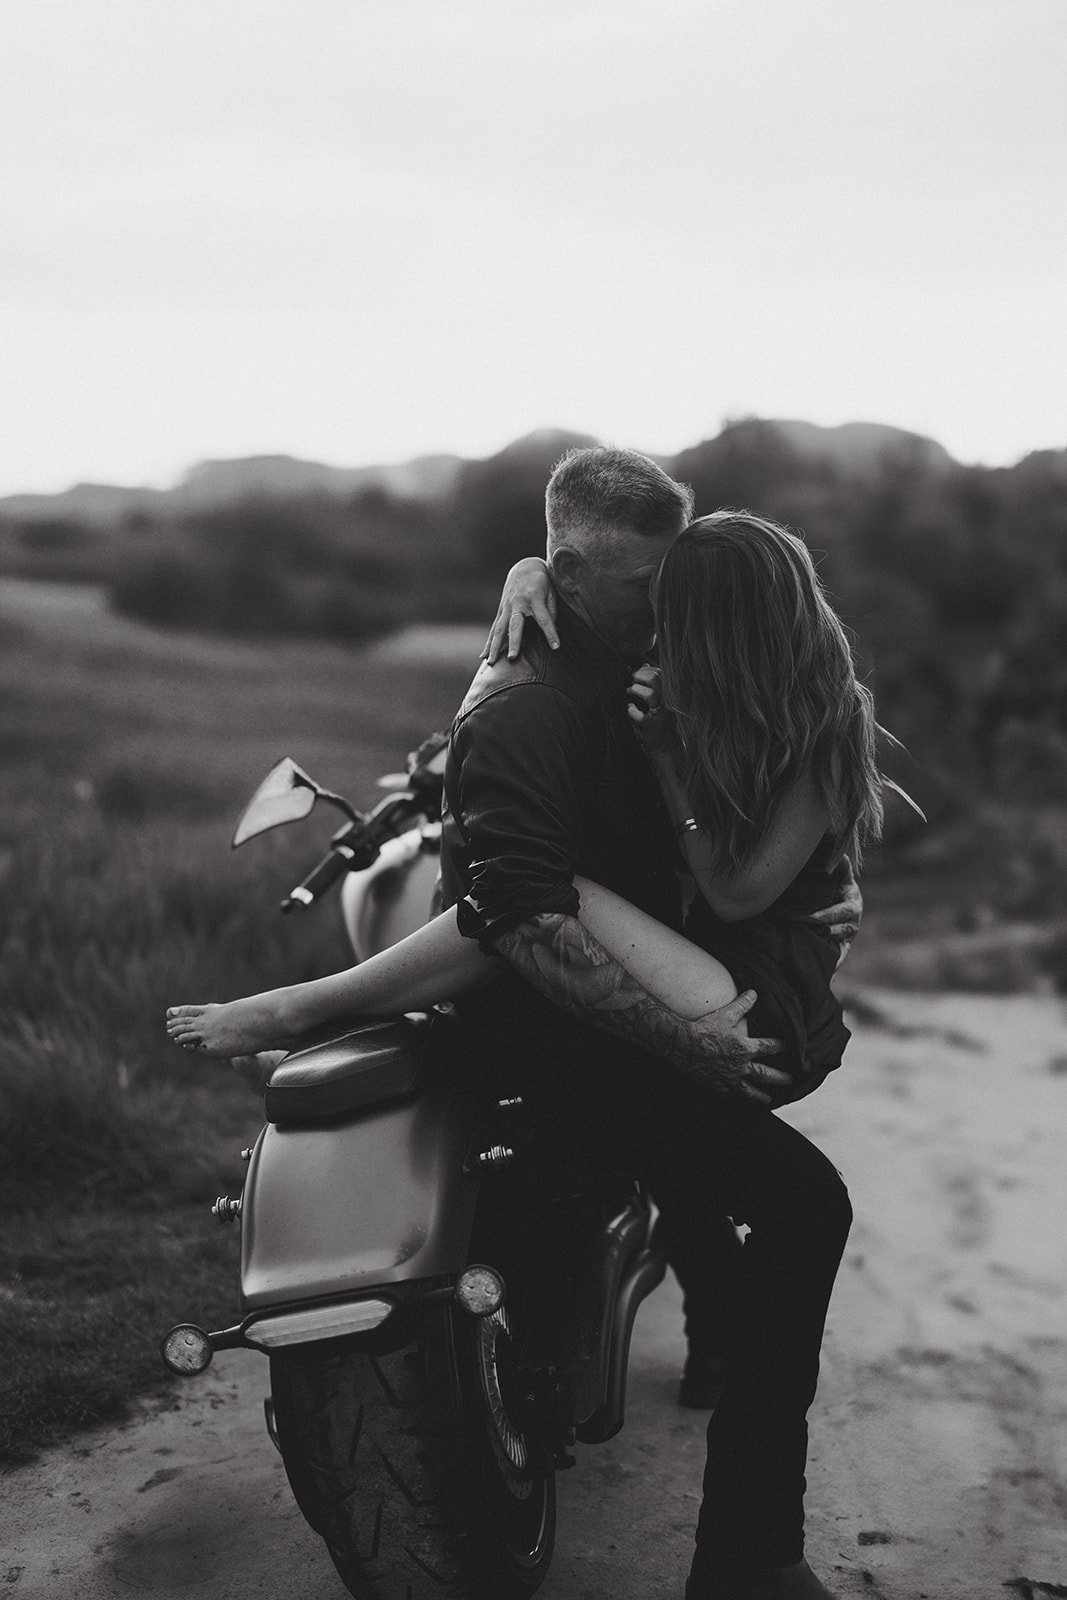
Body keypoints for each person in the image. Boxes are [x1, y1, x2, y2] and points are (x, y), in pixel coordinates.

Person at [168, 447, 875, 1599]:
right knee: (795, 1197)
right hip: (579, 1022)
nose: (669, 613)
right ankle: (748, 1554)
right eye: (652, 588)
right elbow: (523, 923)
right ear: (578, 577)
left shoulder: (637, 660)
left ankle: (730, 1475)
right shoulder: (538, 701)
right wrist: (683, 1034)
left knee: (731, 1177)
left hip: (619, 996)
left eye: (677, 586)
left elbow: (679, 855)